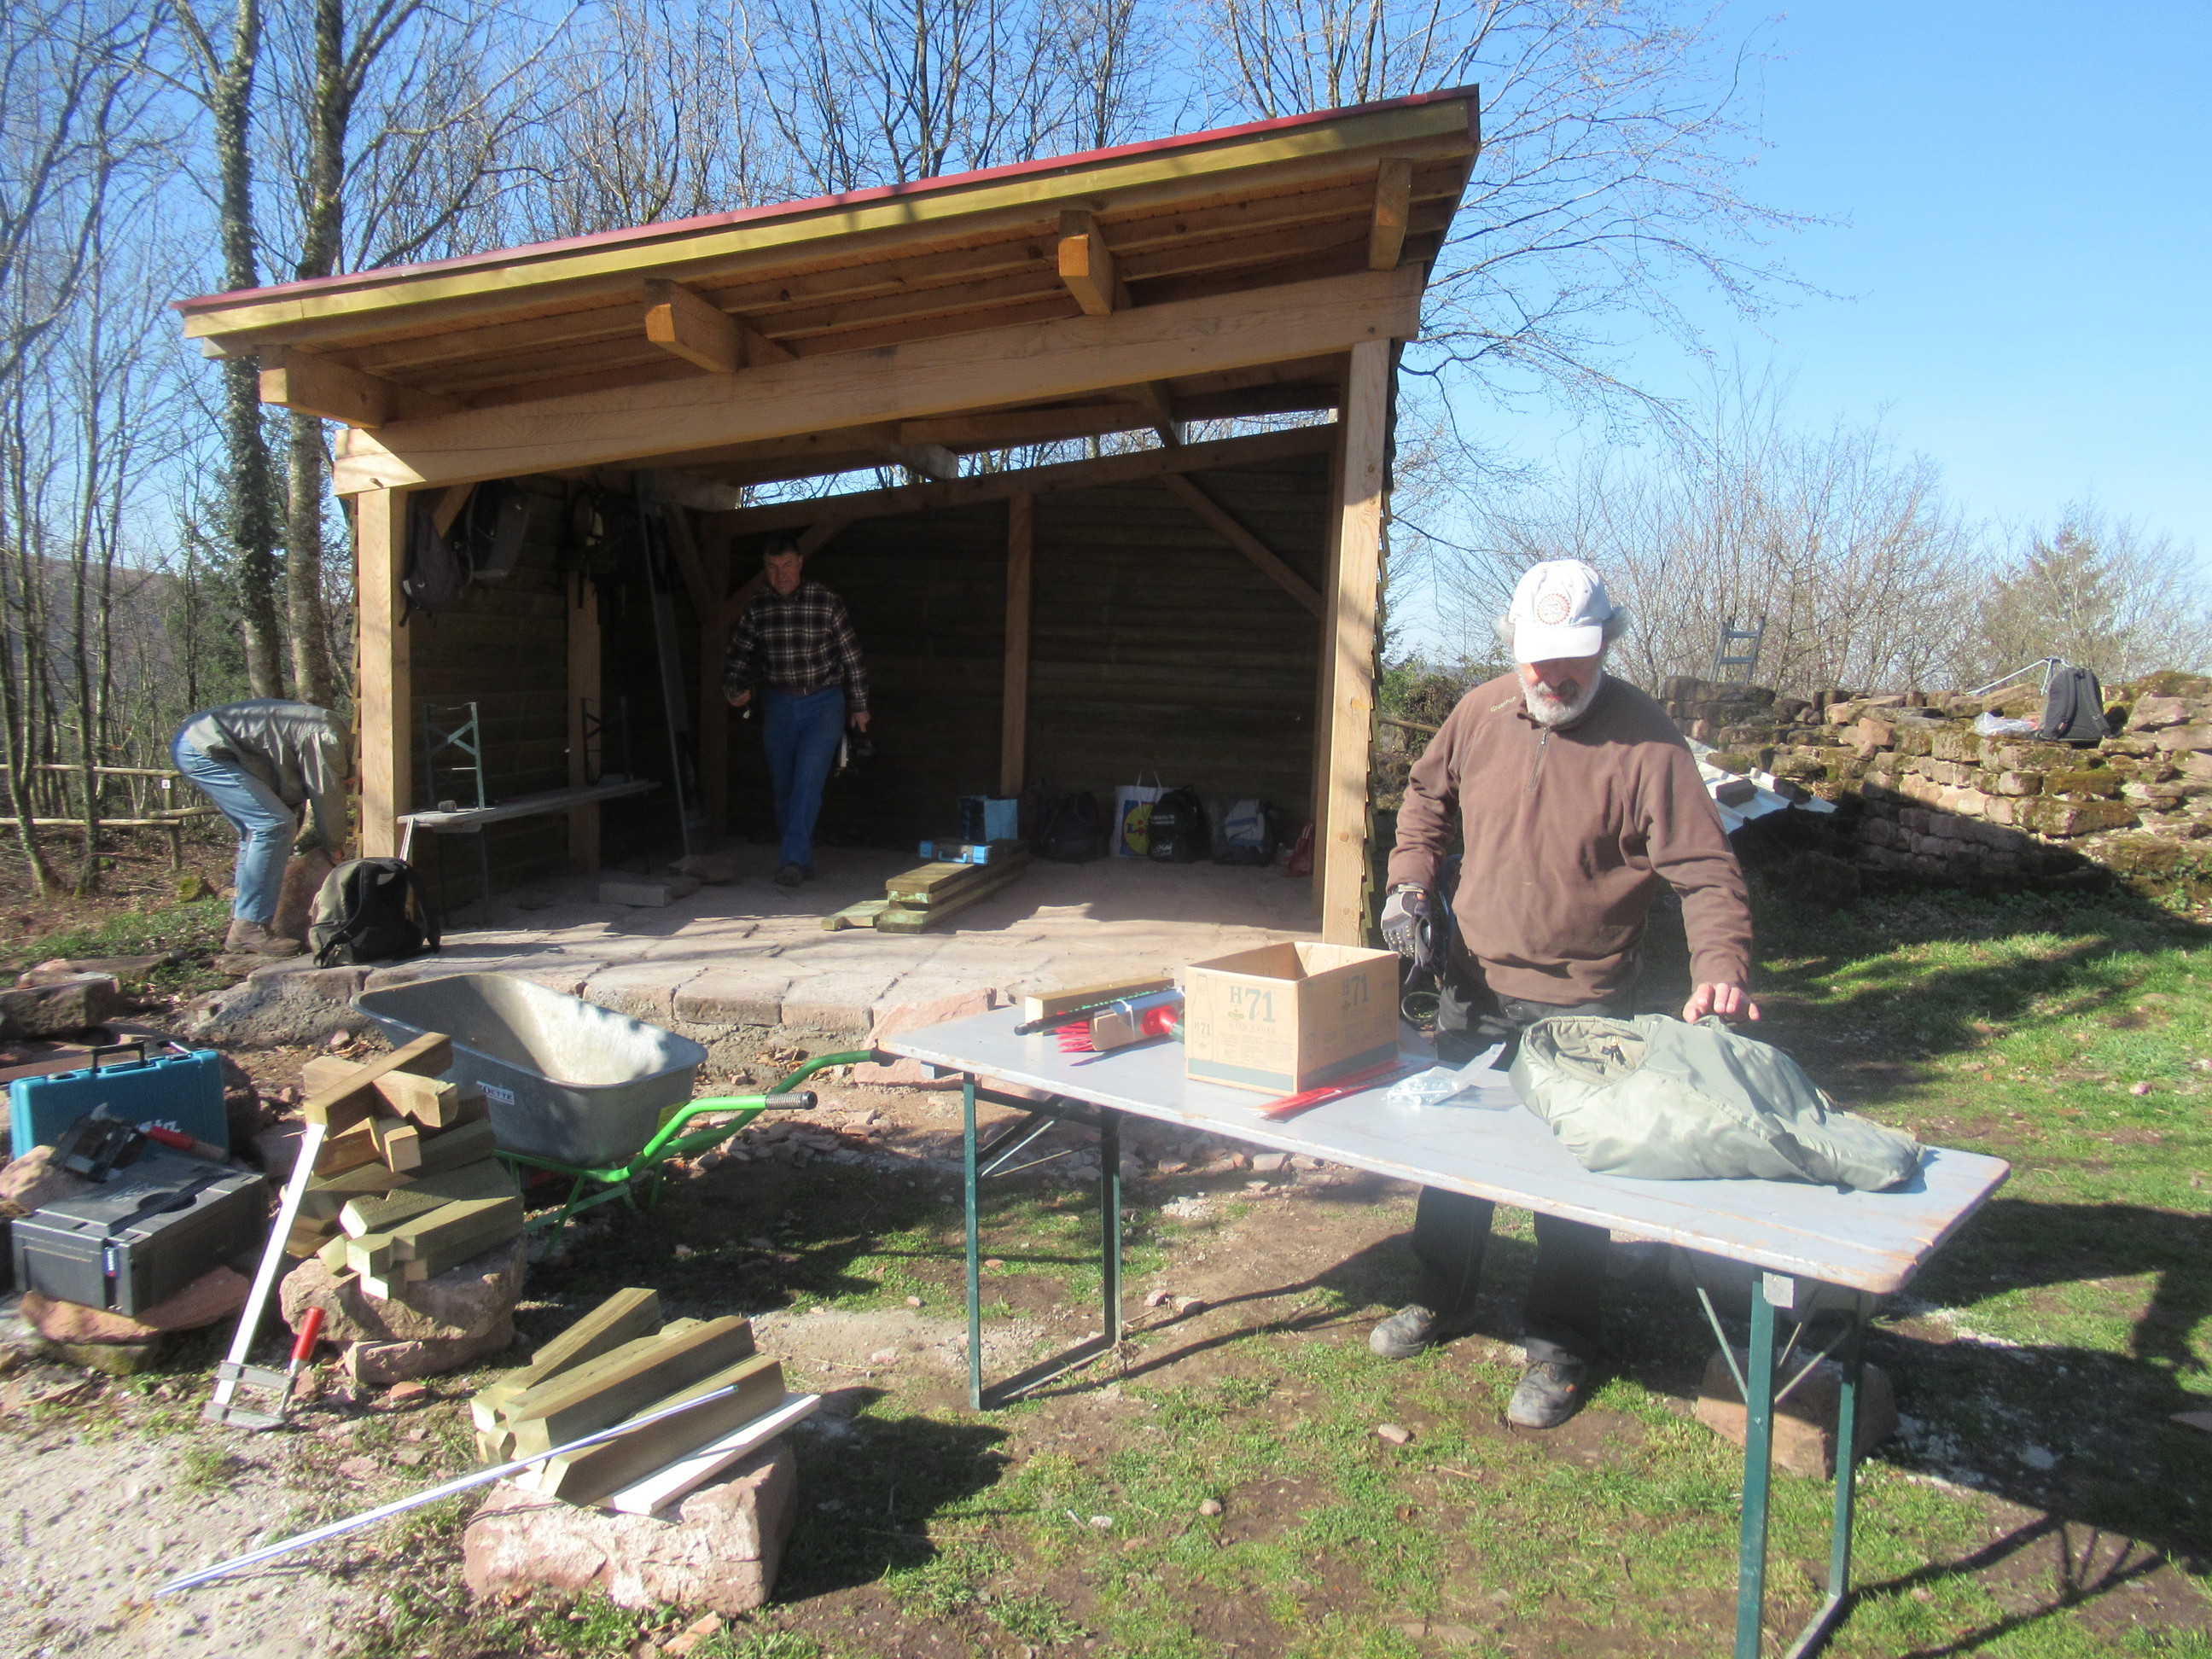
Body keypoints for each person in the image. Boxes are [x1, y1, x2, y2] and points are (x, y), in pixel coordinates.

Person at [1376, 559, 1756, 1429]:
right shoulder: (1479, 713)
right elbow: (1426, 800)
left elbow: (1707, 871)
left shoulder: (1649, 742)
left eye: (1574, 657)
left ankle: (1561, 1345)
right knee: (1452, 1162)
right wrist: (1408, 882)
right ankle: (1443, 1295)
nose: (1553, 676)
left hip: (1586, 1000)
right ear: (1514, 645)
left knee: (1570, 1186)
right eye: (1538, 657)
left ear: (1607, 644)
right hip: (1474, 983)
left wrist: (1720, 970)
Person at [723, 538, 871, 889]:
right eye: (773, 567)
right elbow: (738, 656)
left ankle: (793, 860)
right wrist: (733, 689)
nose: (781, 574)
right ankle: (796, 851)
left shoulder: (826, 600)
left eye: (787, 565)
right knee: (783, 785)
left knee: (808, 779)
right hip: (779, 702)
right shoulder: (758, 606)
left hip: (824, 702)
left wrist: (860, 705)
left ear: (800, 563)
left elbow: (852, 657)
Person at [172, 699, 351, 957]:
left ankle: (242, 926)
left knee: (258, 830)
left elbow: (288, 778)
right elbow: (326, 792)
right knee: (273, 825)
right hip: (203, 747)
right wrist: (335, 847)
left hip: (197, 741)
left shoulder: (326, 727)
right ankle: (249, 926)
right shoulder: (327, 735)